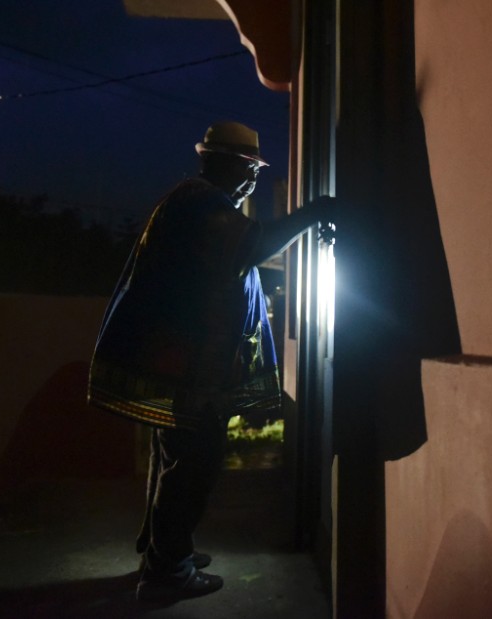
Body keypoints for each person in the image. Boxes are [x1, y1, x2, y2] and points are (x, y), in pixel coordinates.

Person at [88, 121, 333, 602]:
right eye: (250, 170)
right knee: (194, 463)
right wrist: (317, 212)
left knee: (175, 458)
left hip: (182, 364)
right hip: (188, 369)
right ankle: (167, 573)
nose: (253, 181)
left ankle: (164, 550)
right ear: (226, 163)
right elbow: (254, 246)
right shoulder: (203, 205)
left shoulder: (192, 200)